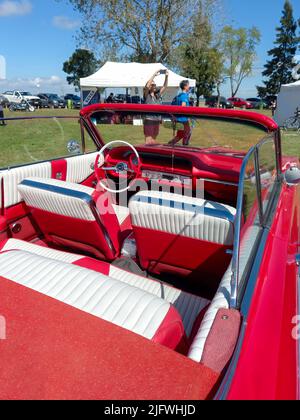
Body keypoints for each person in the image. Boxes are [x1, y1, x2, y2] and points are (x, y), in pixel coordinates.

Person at [143, 69, 169, 145]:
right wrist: (154, 74)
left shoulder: (157, 96)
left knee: (153, 140)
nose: (154, 86)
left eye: (155, 85)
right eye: (152, 84)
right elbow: (147, 85)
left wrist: (166, 76)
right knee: (148, 141)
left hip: (156, 120)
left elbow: (165, 86)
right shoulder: (146, 95)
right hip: (149, 119)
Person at [169, 80, 191, 146]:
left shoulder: (177, 96)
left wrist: (173, 117)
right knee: (187, 133)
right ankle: (184, 147)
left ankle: (170, 144)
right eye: (188, 85)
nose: (189, 87)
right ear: (185, 86)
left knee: (181, 134)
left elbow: (171, 107)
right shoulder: (184, 96)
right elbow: (183, 106)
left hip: (178, 119)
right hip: (183, 119)